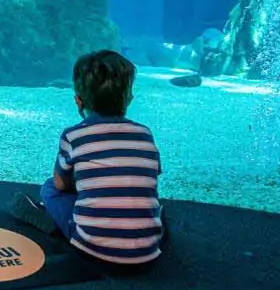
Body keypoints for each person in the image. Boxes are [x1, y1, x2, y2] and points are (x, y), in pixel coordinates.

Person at [10, 50, 165, 270]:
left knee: (49, 189)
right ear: (129, 98)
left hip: (92, 250)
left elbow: (60, 184)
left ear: (78, 101)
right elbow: (149, 176)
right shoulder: (145, 133)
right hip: (148, 252)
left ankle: (47, 219)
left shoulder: (74, 136)